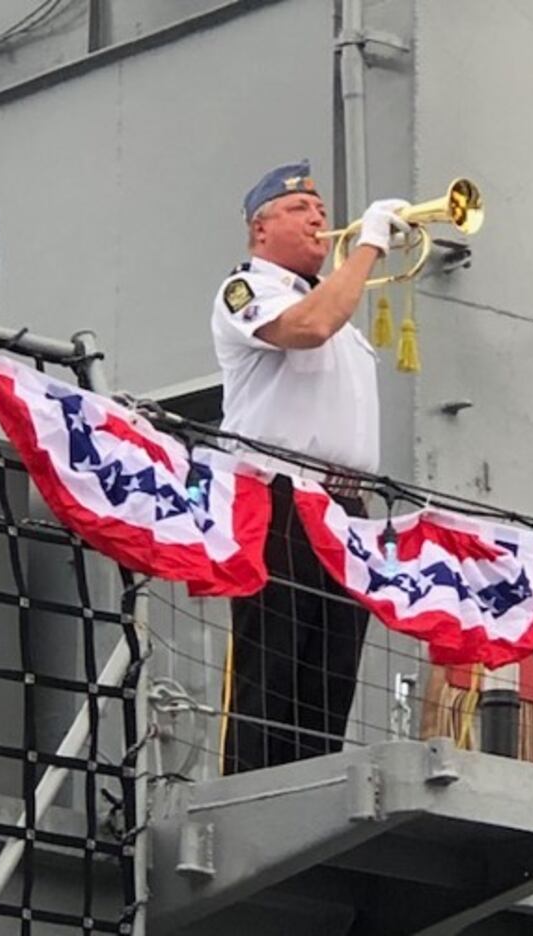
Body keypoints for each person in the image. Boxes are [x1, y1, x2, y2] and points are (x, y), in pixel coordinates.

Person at [211, 159, 409, 774]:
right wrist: (371, 242)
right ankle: (249, 791)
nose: (320, 219)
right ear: (259, 228)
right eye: (300, 209)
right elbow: (312, 327)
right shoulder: (246, 290)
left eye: (321, 209)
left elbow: (328, 313)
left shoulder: (333, 294)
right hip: (279, 496)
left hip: (345, 509)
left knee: (332, 667)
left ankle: (310, 784)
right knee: (272, 659)